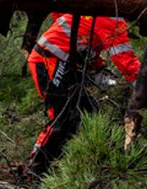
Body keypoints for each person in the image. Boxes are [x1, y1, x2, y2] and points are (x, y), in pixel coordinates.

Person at [25, 12, 140, 176]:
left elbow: (85, 40)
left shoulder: (98, 7)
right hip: (49, 59)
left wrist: (97, 66)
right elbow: (126, 61)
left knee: (89, 112)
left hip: (64, 61)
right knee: (61, 116)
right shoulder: (110, 18)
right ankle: (35, 168)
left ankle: (96, 162)